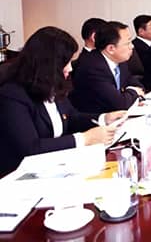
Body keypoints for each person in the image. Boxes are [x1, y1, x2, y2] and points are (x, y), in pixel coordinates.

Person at [0, 27, 127, 175]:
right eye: (66, 63)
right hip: (21, 175)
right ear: (48, 65)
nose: (70, 68)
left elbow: (71, 117)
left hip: (56, 165)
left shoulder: (51, 86)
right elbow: (30, 148)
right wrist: (84, 139)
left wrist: (104, 118)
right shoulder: (13, 95)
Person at [70, 21, 144, 113]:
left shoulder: (120, 61)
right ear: (110, 49)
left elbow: (138, 86)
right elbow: (120, 103)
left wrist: (131, 94)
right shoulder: (93, 67)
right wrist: (134, 93)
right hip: (96, 118)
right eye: (127, 43)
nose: (132, 46)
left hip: (118, 115)